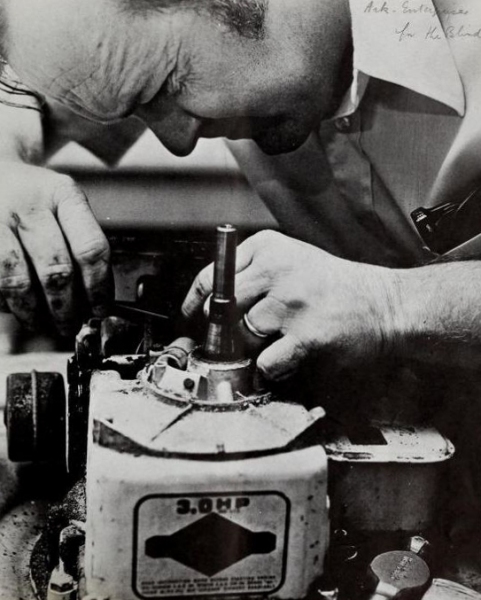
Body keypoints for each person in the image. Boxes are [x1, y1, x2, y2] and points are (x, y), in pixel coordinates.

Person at [0, 0, 481, 385]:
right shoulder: (146, 45)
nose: (179, 142)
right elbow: (29, 80)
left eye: (164, 88)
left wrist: (388, 305)